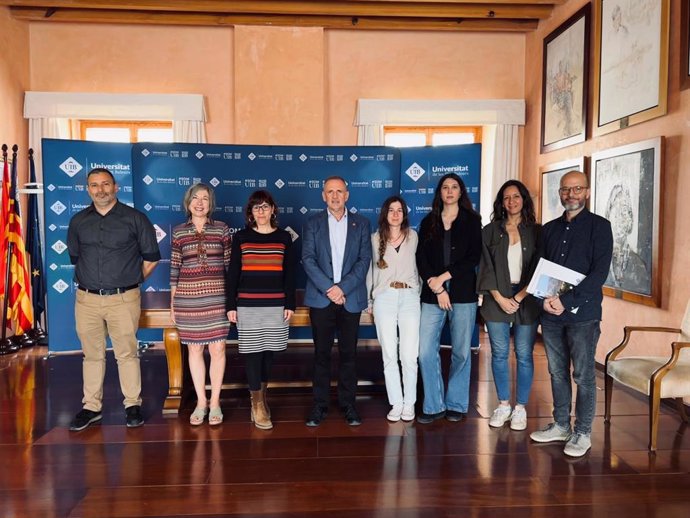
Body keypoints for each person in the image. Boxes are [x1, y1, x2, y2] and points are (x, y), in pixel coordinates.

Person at [67, 167, 160, 431]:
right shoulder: (78, 221)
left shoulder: (135, 218)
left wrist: (130, 279)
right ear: (88, 189)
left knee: (126, 354)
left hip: (124, 298)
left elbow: (152, 257)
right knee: (92, 355)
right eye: (94, 185)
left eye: (105, 184)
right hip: (87, 300)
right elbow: (76, 258)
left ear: (115, 187)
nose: (100, 190)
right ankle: (91, 407)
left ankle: (132, 405)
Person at [529, 170, 613, 457]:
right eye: (566, 190)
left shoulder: (600, 227)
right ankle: (561, 425)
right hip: (551, 314)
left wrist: (566, 301)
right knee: (556, 372)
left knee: (583, 375)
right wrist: (543, 301)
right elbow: (540, 268)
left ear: (587, 192)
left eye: (577, 189)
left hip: (583, 316)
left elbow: (598, 274)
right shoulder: (549, 229)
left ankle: (582, 432)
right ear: (560, 193)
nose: (571, 194)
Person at [302, 176, 371, 427]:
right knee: (321, 355)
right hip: (322, 299)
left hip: (350, 298)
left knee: (348, 355)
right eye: (330, 191)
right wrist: (331, 289)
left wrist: (342, 288)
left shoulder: (362, 224)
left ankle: (348, 405)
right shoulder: (312, 224)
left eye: (339, 191)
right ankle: (319, 406)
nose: (334, 196)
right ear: (323, 195)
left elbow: (364, 262)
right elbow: (308, 259)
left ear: (347, 195)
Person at [226, 190, 295, 430]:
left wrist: (290, 304)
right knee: (253, 353)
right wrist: (231, 305)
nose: (261, 211)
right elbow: (233, 273)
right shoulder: (241, 238)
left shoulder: (284, 237)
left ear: (273, 209)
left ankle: (261, 398)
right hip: (248, 304)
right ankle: (257, 405)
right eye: (257, 207)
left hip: (276, 304)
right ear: (250, 212)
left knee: (268, 353)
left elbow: (290, 273)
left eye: (265, 207)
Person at [416, 173, 482, 424]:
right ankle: (433, 405)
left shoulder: (473, 221)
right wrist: (438, 287)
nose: (450, 191)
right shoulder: (428, 221)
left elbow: (473, 257)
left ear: (461, 192)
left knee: (462, 352)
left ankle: (456, 403)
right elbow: (421, 259)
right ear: (440, 193)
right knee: (425, 351)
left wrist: (444, 277)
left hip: (463, 293)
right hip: (433, 294)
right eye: (445, 187)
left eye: (455, 187)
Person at [477, 180, 541, 431]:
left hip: (527, 297)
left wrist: (520, 296)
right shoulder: (490, 230)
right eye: (506, 198)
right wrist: (501, 297)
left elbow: (540, 267)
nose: (511, 201)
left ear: (523, 199)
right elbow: (485, 266)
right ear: (501, 202)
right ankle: (503, 404)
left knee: (524, 355)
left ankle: (520, 408)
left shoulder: (537, 231)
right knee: (500, 354)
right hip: (497, 297)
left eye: (516, 196)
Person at [170, 183, 231, 426]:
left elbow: (230, 266)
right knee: (194, 350)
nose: (199, 202)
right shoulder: (178, 232)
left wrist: (233, 300)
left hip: (217, 298)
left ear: (210, 204)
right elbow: (174, 268)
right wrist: (173, 303)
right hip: (188, 299)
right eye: (195, 198)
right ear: (188, 202)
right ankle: (201, 401)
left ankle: (215, 401)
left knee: (218, 350)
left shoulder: (222, 229)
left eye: (205, 198)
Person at [367, 195, 420, 422]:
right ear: (385, 214)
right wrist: (370, 301)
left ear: (404, 214)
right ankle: (396, 403)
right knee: (389, 354)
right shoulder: (374, 238)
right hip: (385, 298)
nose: (396, 214)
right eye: (391, 210)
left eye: (399, 210)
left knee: (409, 355)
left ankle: (409, 404)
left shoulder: (413, 236)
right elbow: (371, 270)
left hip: (409, 297)